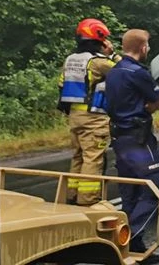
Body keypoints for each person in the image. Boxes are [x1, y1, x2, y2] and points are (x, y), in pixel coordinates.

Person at [104, 29, 159, 263]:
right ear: (143, 48)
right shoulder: (137, 72)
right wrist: (146, 108)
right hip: (138, 138)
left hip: (119, 138)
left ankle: (134, 250)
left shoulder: (112, 73)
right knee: (157, 188)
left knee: (130, 192)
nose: (148, 49)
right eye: (148, 46)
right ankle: (130, 235)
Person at [58, 18, 117, 205]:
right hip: (94, 118)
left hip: (74, 117)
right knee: (93, 158)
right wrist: (113, 54)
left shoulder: (70, 60)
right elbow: (125, 72)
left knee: (78, 156)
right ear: (99, 40)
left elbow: (61, 85)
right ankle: (88, 201)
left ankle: (72, 196)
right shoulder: (98, 62)